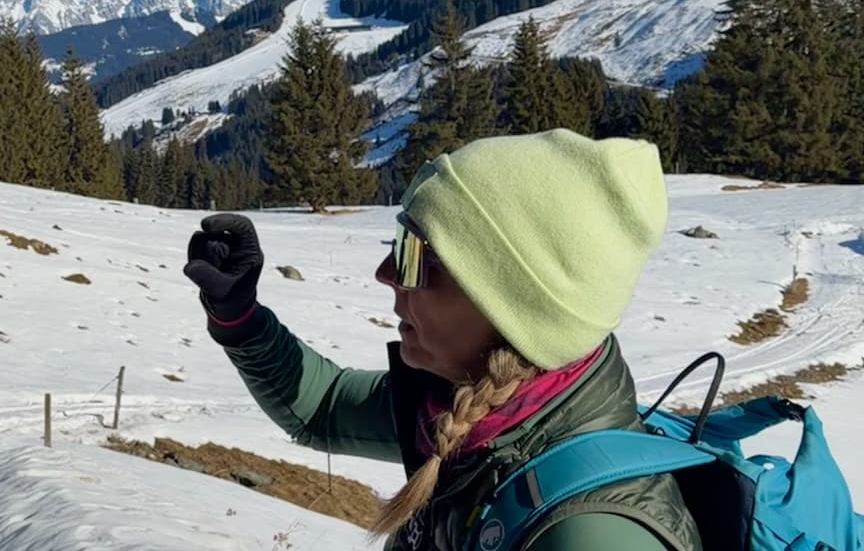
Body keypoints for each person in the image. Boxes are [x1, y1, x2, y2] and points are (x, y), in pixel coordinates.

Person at [182, 128, 702, 550]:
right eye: (397, 240)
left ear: (511, 305)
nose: (385, 272)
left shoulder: (593, 535)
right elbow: (326, 407)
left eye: (414, 256)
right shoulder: (472, 404)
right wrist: (240, 318)